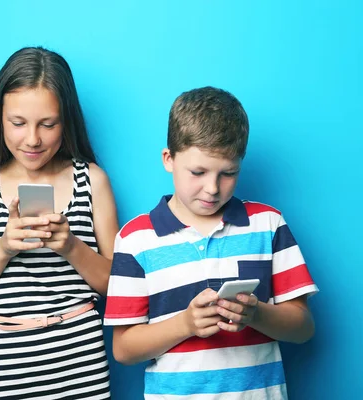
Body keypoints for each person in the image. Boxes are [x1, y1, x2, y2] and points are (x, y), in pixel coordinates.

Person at [104, 87, 319, 399]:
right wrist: (186, 324)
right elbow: (123, 349)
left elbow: (303, 327)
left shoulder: (267, 224)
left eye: (228, 173)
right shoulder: (135, 239)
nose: (212, 189)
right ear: (169, 159)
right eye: (198, 172)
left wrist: (256, 314)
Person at [0, 47, 117, 399]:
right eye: (18, 123)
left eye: (48, 124)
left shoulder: (92, 181)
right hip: (8, 373)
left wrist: (71, 246)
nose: (33, 139)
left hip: (82, 368)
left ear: (66, 120)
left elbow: (120, 288)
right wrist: (3, 249)